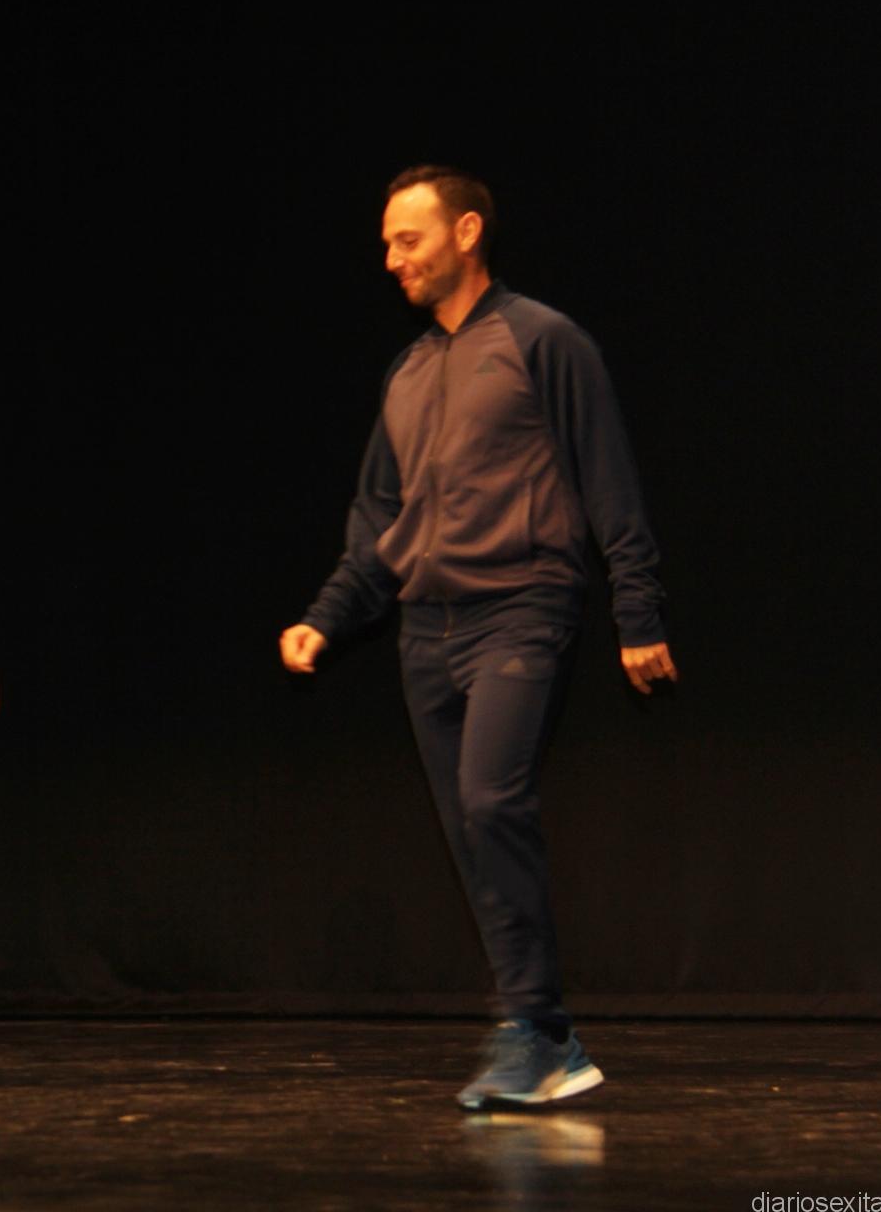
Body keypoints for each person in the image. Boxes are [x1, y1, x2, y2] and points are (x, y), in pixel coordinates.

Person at [279, 166, 677, 1109]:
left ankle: (535, 1027)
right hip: (426, 626)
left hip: (522, 604)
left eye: (407, 239)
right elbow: (380, 519)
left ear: (465, 232)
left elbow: (609, 479)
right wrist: (325, 615)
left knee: (492, 800)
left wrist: (637, 613)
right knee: (469, 826)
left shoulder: (542, 340)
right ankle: (541, 1033)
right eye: (385, 244)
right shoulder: (409, 372)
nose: (392, 259)